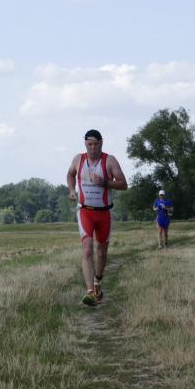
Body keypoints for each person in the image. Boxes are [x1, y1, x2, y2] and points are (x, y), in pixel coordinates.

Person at [67, 129, 128, 306]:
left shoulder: (109, 160)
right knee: (87, 250)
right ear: (85, 144)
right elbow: (70, 174)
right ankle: (90, 292)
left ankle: (97, 281)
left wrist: (105, 182)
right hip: (85, 211)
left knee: (101, 252)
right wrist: (72, 190)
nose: (93, 148)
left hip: (104, 213)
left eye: (96, 144)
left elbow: (123, 184)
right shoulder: (78, 160)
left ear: (101, 143)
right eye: (89, 144)